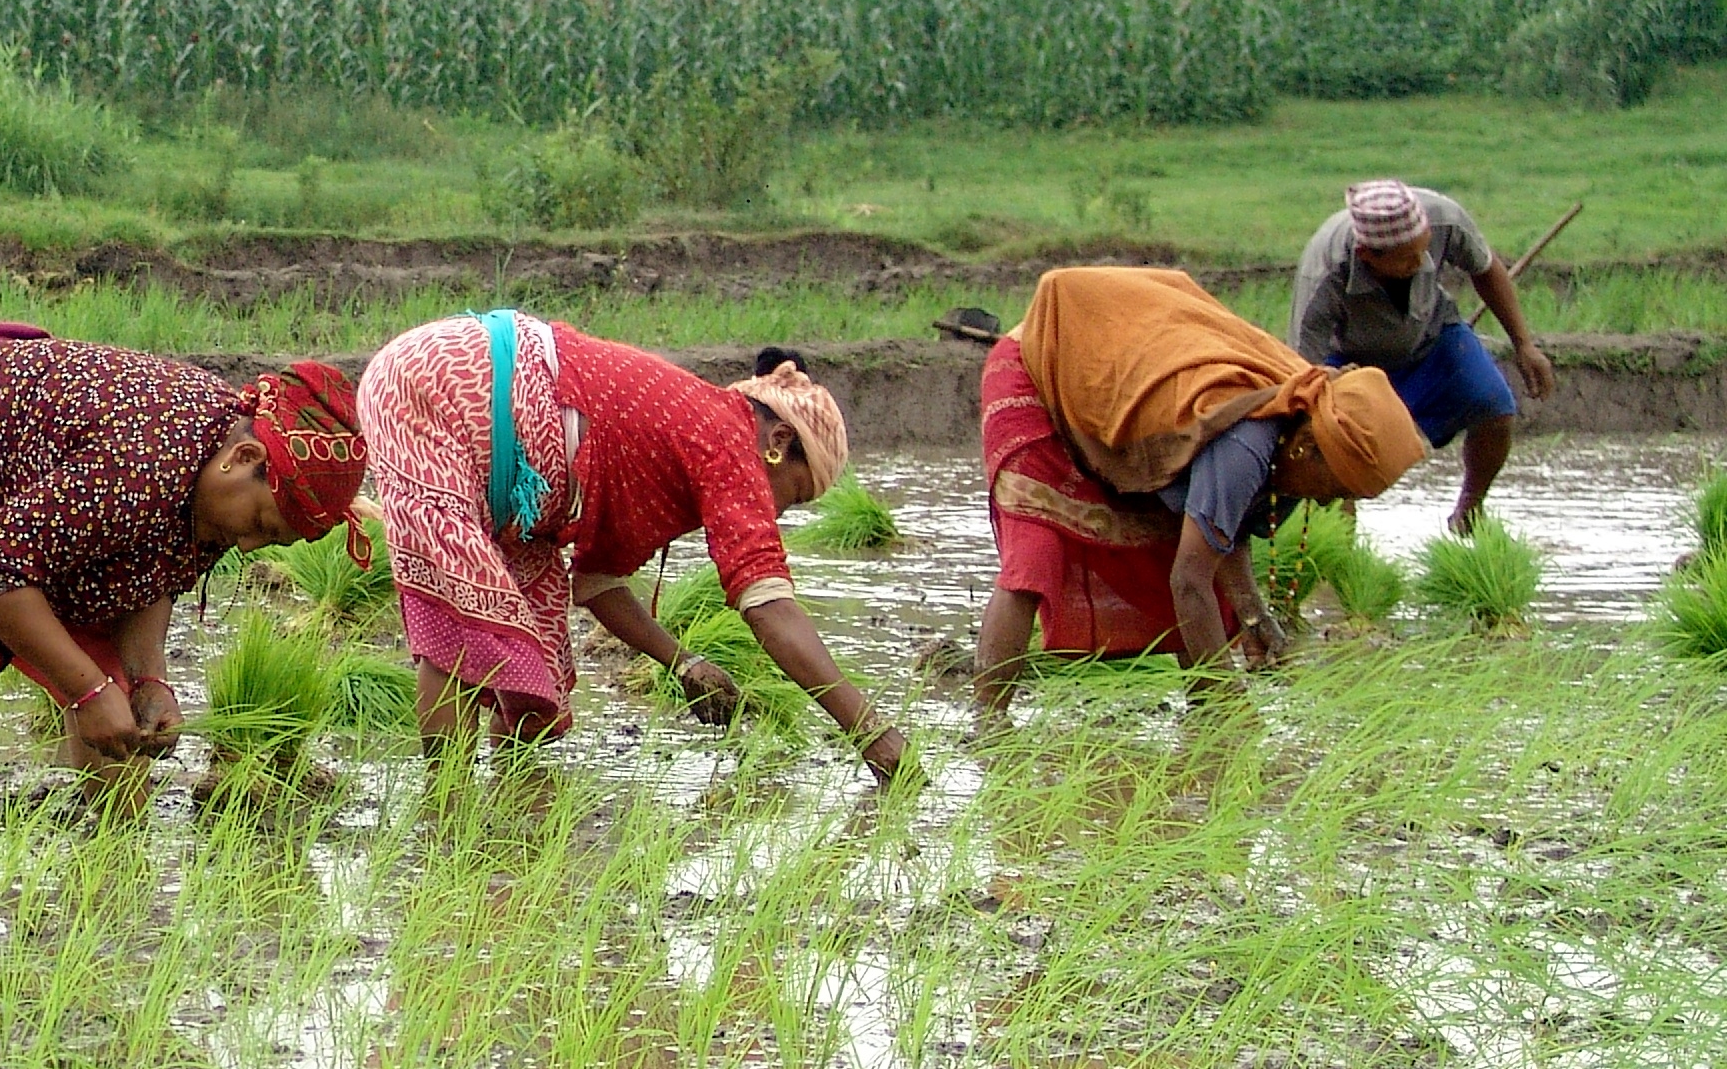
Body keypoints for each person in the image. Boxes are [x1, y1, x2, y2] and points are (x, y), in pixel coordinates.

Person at [0, 323, 369, 818]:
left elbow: (151, 577)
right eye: (263, 526)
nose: (247, 546)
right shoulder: (143, 460)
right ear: (245, 461)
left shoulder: (216, 483)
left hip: (8, 499)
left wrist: (148, 681)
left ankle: (115, 877)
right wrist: (86, 690)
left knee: (116, 703)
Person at [356, 313, 904, 781]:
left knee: (540, 675)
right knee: (462, 613)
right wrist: (867, 727)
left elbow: (597, 585)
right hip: (449, 383)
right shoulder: (730, 441)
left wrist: (683, 664)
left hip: (503, 449)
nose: (776, 514)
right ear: (779, 443)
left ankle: (507, 809)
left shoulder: (679, 460)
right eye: (792, 497)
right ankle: (447, 815)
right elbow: (770, 607)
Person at [976, 265, 1429, 711]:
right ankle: (987, 723)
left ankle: (1202, 712)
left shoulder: (1298, 427)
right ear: (1308, 448)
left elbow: (1224, 532)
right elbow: (1189, 580)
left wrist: (1254, 616)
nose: (1329, 501)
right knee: (1037, 555)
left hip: (1110, 390)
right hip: (1043, 364)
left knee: (1189, 556)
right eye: (1336, 487)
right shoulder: (1250, 444)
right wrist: (1232, 706)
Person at [1290, 180, 1554, 535]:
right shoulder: (1325, 271)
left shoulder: (1446, 219)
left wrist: (1524, 344)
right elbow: (1304, 371)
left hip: (1432, 334)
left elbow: (1486, 269)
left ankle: (1469, 512)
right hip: (1348, 360)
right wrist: (1330, 399)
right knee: (1331, 448)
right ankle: (1339, 545)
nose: (1419, 264)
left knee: (1495, 405)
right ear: (1369, 256)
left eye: (1424, 251)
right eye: (1406, 260)